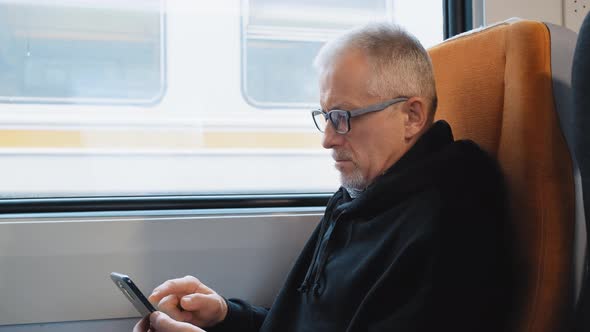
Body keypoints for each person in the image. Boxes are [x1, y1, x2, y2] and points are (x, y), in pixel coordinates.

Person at [134, 22, 513, 332]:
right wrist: (226, 317)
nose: (328, 139)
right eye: (326, 116)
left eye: (342, 117)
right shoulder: (360, 196)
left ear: (411, 116)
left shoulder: (451, 225)